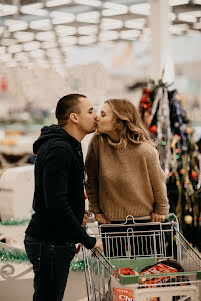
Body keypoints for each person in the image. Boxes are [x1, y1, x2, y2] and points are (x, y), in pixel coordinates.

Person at [24, 94, 103, 301]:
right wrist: (88, 240)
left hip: (54, 240)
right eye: (90, 111)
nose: (95, 116)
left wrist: (77, 214)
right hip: (49, 242)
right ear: (74, 117)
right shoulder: (60, 149)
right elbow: (56, 203)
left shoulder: (68, 145)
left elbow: (59, 196)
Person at [85, 98, 169, 257]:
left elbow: (158, 183)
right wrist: (96, 210)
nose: (97, 117)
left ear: (118, 120)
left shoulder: (146, 151)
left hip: (145, 220)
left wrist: (161, 210)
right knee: (115, 271)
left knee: (144, 271)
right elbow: (91, 180)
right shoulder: (98, 143)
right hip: (110, 222)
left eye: (103, 114)